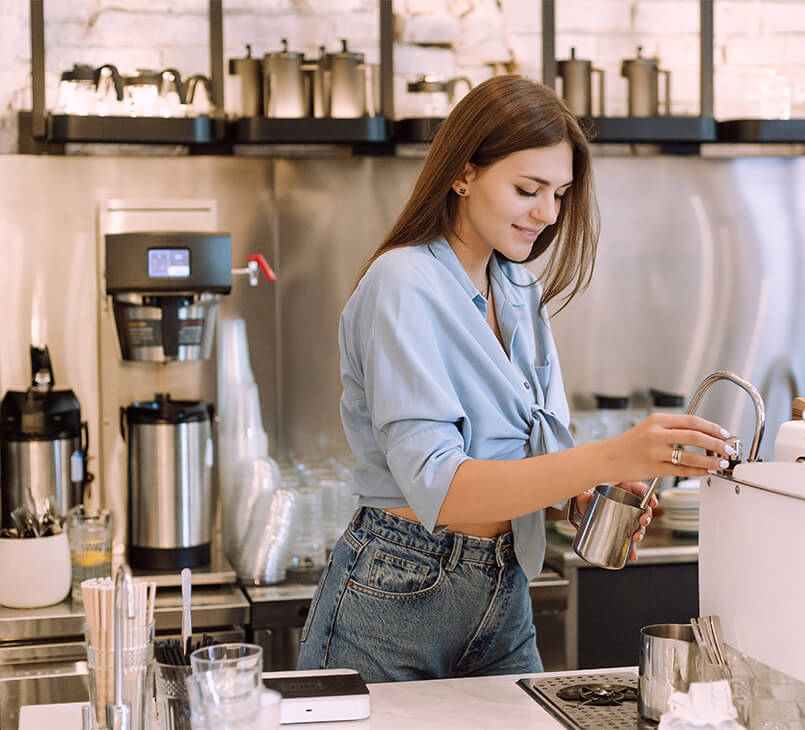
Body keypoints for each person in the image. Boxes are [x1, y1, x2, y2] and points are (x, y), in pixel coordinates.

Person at [297, 75, 734, 682]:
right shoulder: (402, 284)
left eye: (559, 193)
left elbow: (524, 457)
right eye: (528, 189)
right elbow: (442, 491)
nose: (547, 214)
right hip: (394, 594)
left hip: (503, 591)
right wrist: (608, 457)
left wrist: (576, 499)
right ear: (463, 173)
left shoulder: (518, 287)